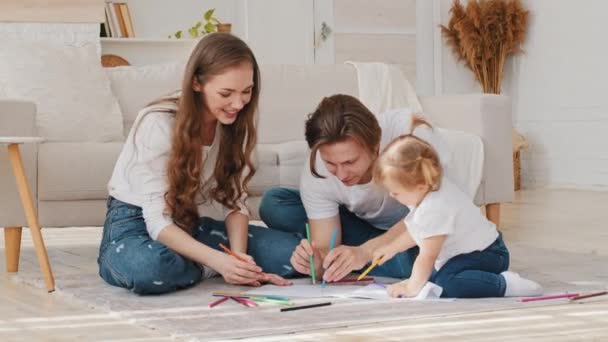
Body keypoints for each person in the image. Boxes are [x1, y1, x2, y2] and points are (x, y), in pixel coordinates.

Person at [97, 33, 299, 295]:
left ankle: (201, 260)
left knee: (292, 256)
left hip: (192, 223)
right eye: (226, 93)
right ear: (196, 83)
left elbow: (234, 202)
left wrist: (237, 259)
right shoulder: (159, 123)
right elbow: (157, 222)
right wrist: (216, 262)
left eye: (246, 92)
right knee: (151, 267)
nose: (238, 104)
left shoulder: (236, 122)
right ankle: (204, 266)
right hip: (136, 224)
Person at [259, 94, 451, 283]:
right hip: (362, 229)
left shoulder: (411, 136)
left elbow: (433, 212)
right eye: (331, 163)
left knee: (428, 261)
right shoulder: (317, 169)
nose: (341, 175)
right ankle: (363, 257)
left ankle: (370, 257)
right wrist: (318, 264)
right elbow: (326, 246)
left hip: (419, 231)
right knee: (275, 203)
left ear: (376, 147)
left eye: (350, 161)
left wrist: (365, 252)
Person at [371, 119, 543, 298]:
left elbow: (427, 255)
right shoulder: (427, 190)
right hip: (471, 252)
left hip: (488, 254)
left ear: (420, 186)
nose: (392, 196)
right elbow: (418, 231)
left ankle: (505, 285)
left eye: (395, 192)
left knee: (446, 284)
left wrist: (411, 288)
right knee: (431, 278)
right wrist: (391, 248)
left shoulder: (436, 207)